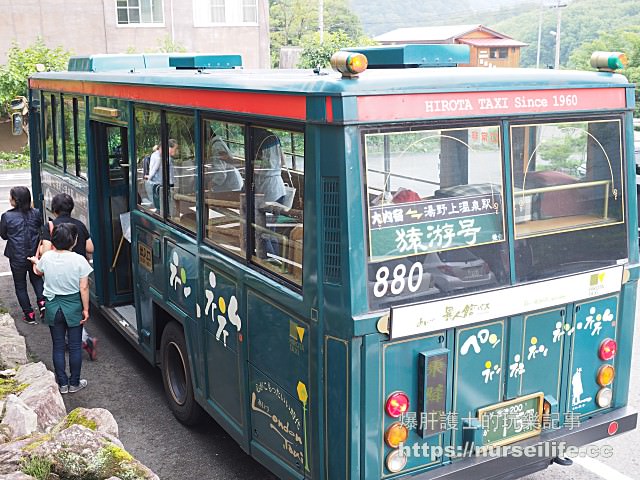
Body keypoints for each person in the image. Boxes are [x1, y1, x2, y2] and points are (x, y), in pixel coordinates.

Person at [29, 223, 93, 394]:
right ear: (73, 240)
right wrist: (86, 309)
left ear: (54, 240)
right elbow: (84, 287)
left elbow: (38, 272)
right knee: (74, 346)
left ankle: (62, 384)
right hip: (73, 306)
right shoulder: (79, 260)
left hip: (52, 306)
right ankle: (74, 382)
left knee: (57, 345)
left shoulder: (47, 257)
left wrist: (36, 262)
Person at [40, 193, 98, 360]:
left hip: (58, 273)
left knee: (62, 309)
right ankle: (80, 339)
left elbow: (44, 251)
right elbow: (90, 248)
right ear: (71, 208)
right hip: (77, 272)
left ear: (55, 209)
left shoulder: (51, 226)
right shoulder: (79, 225)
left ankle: (85, 340)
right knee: (75, 309)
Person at [0, 186, 46, 324]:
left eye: (11, 197)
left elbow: (3, 235)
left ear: (16, 200)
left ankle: (29, 314)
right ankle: (43, 305)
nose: (9, 199)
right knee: (37, 280)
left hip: (16, 256)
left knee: (20, 286)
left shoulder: (7, 216)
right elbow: (40, 229)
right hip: (34, 255)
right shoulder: (36, 213)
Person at [253, 128, 287, 260]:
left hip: (266, 190)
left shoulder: (256, 140)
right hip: (279, 188)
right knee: (271, 231)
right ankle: (277, 261)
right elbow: (283, 162)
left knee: (263, 233)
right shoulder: (274, 137)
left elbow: (256, 167)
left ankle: (271, 263)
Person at [144, 139, 177, 210]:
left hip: (164, 184)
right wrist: (149, 177)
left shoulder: (164, 157)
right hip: (160, 185)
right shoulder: (158, 157)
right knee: (162, 207)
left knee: (163, 206)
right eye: (174, 149)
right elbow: (154, 169)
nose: (176, 151)